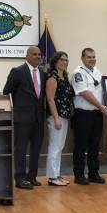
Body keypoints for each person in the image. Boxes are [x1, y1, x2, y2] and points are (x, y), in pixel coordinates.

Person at [3, 46, 45, 189]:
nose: (38, 57)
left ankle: (32, 176)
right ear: (26, 56)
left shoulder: (43, 73)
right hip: (22, 119)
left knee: (36, 148)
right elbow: (6, 91)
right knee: (20, 149)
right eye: (34, 54)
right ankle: (20, 178)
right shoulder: (17, 72)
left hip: (38, 119)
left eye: (39, 54)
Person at [71, 48, 107, 185]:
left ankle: (94, 173)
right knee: (81, 146)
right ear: (82, 58)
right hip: (83, 114)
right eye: (89, 57)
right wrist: (101, 106)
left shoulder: (97, 72)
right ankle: (79, 174)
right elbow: (84, 93)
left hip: (97, 114)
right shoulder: (78, 73)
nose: (92, 59)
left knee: (95, 145)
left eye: (93, 57)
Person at [46, 51, 75, 186]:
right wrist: (56, 118)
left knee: (60, 146)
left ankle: (57, 174)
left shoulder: (64, 76)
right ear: (56, 61)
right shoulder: (52, 77)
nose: (65, 62)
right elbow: (50, 99)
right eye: (62, 59)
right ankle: (52, 177)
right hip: (56, 116)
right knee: (55, 146)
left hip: (65, 115)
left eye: (66, 60)